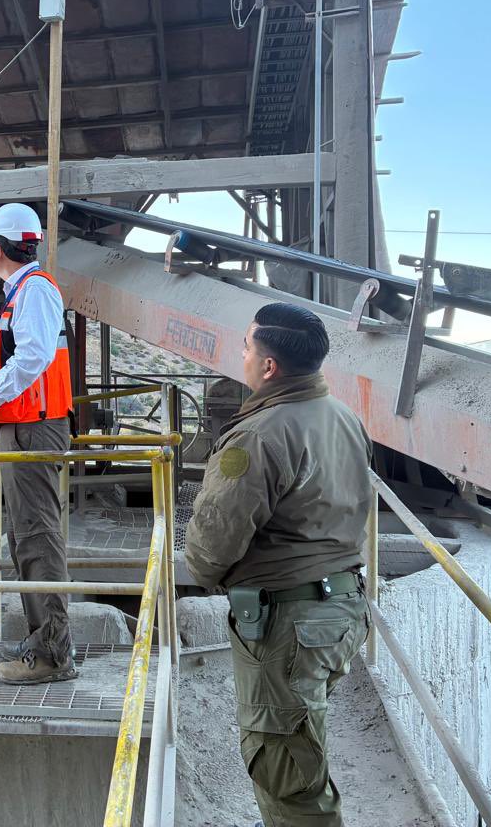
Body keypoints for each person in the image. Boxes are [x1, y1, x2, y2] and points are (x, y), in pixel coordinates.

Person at [184, 302, 372, 826]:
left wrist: (202, 569)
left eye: (247, 348)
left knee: (287, 774)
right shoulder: (344, 417)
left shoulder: (258, 434)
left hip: (288, 623)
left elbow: (212, 545)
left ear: (269, 367)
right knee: (302, 746)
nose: (241, 356)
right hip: (342, 609)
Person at [0, 204, 75, 686]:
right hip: (23, 426)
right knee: (24, 537)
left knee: (36, 537)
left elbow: (33, 358)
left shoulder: (35, 291)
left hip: (34, 430)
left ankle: (52, 652)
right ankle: (40, 639)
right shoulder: (22, 294)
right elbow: (16, 364)